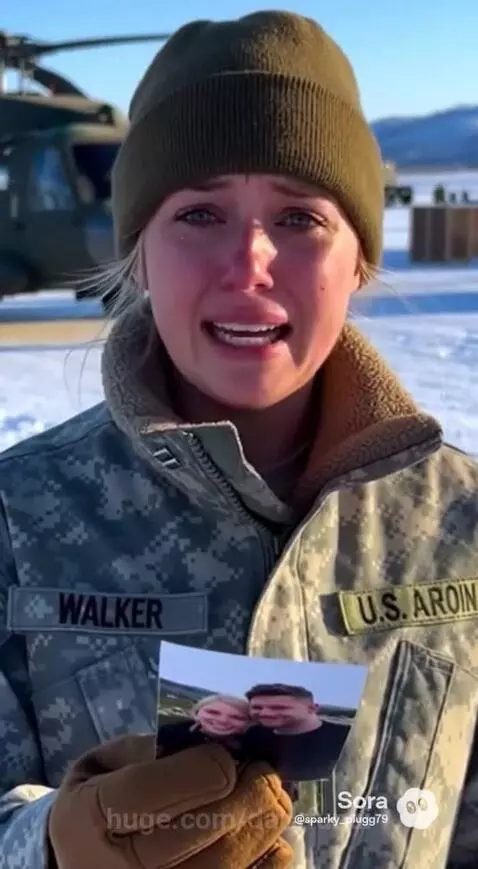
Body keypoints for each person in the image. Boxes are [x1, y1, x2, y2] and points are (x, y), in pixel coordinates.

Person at [0, 9, 476, 869]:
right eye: (198, 214)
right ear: (137, 253)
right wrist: (50, 847)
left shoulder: (462, 524)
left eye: (300, 219)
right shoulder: (15, 517)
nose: (249, 259)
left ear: (359, 260)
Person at [243, 684, 350, 780]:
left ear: (312, 708)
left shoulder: (347, 737)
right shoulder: (252, 736)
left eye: (279, 708)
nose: (265, 713)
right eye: (257, 707)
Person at [156, 693, 252, 759]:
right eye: (213, 712)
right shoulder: (164, 738)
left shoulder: (252, 753)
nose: (223, 720)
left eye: (237, 717)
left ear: (249, 723)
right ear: (197, 713)